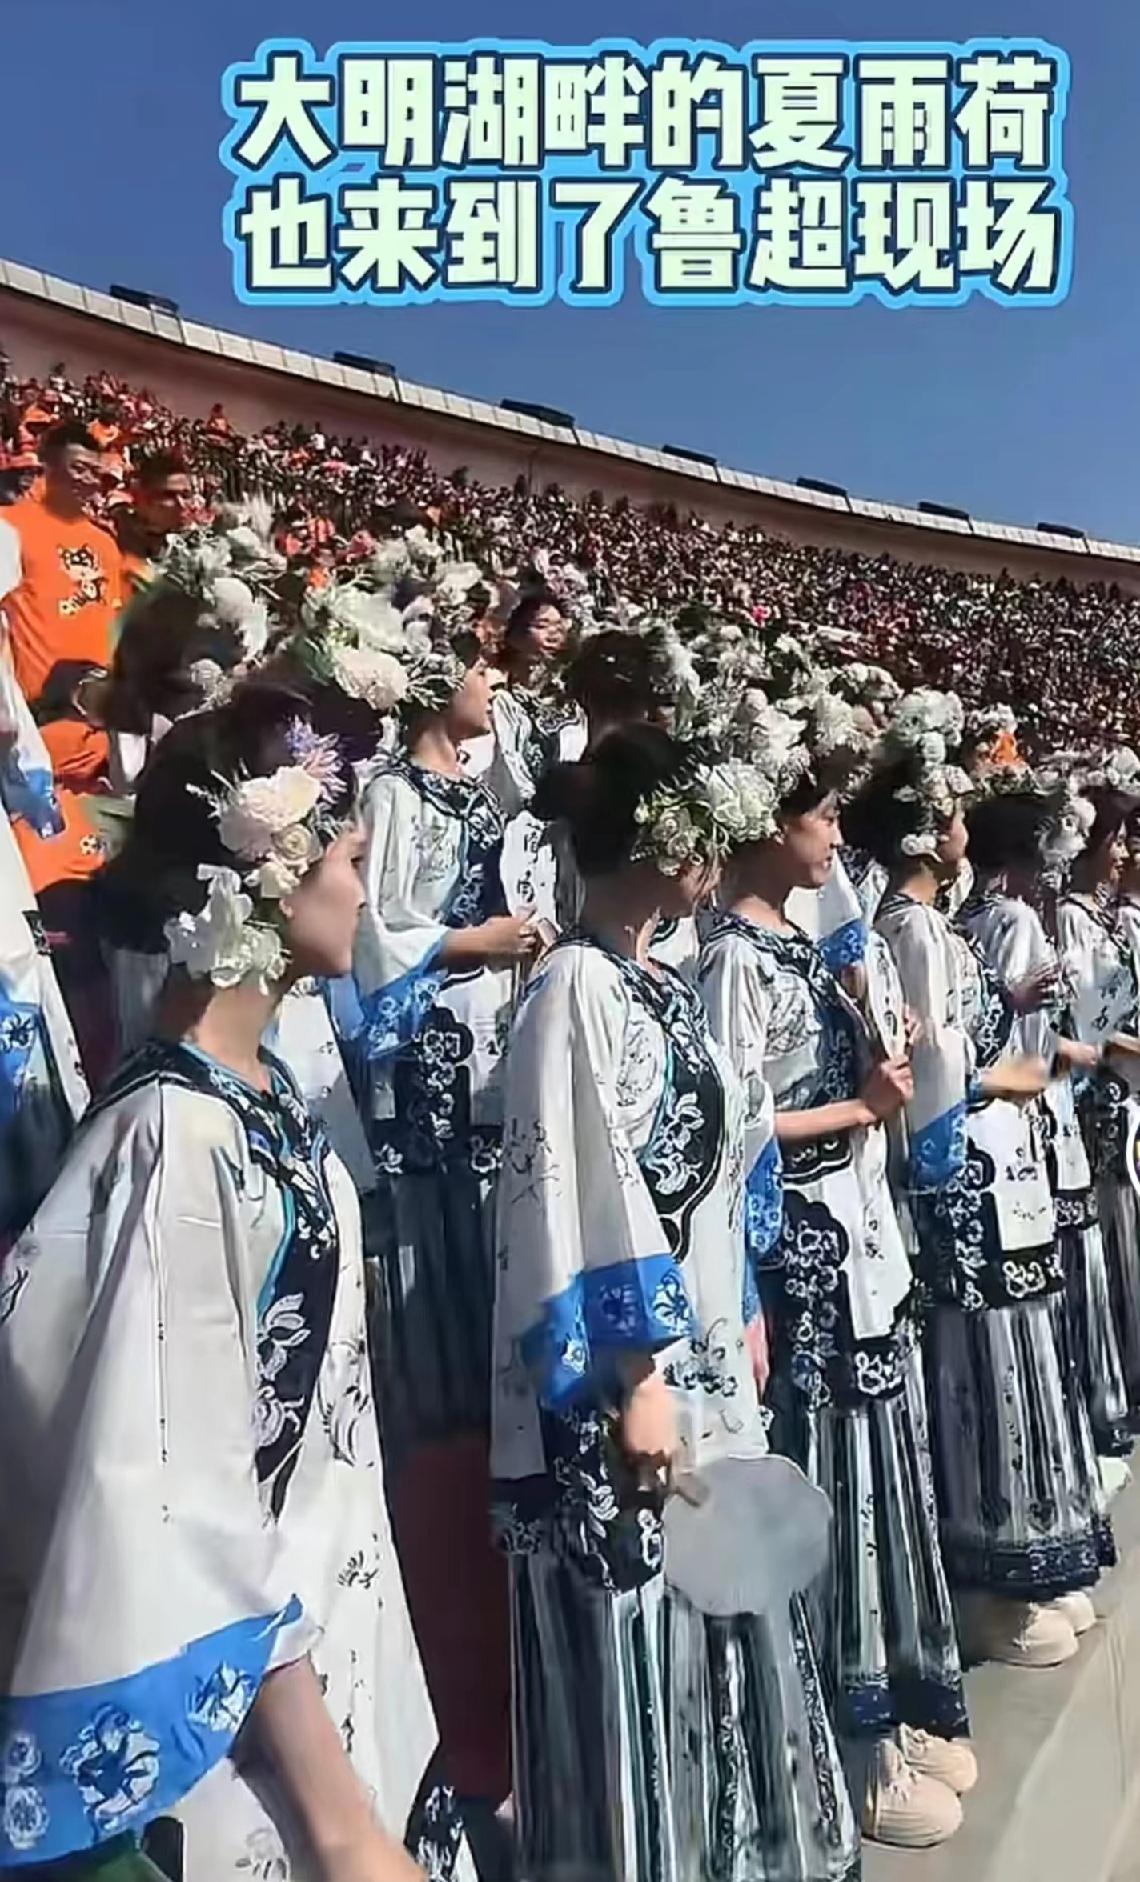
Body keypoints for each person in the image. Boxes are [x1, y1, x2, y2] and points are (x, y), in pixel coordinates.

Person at [0, 686, 470, 1881]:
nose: (364, 889)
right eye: (349, 856)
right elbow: (185, 1498)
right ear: (273, 873)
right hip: (259, 1746)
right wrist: (337, 1821)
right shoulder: (177, 1135)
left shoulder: (258, 1103)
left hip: (333, 1639)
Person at [492, 723, 858, 1882]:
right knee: (639, 1636)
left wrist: (737, 1298)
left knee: (715, 1616)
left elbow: (728, 1145)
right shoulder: (572, 988)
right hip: (628, 1381)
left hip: (698, 1337)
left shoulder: (653, 976)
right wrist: (638, 1377)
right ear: (661, 840)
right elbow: (573, 1190)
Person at [698, 710, 972, 1851]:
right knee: (830, 1478)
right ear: (768, 828)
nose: (833, 835)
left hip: (852, 1235)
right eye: (818, 815)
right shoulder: (728, 960)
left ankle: (891, 1711)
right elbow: (734, 1124)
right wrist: (861, 1105)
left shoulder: (803, 946)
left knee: (876, 1471)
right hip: (801, 1255)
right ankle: (837, 1751)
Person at [848, 708, 1112, 1673]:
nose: (961, 825)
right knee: (986, 1357)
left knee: (1020, 1347)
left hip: (1007, 1160)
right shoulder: (916, 927)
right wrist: (1013, 1068)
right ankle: (993, 1560)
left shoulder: (938, 925)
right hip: (972, 1167)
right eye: (948, 812)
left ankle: (1031, 1547)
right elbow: (938, 1058)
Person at [351, 627, 536, 1839]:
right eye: (477, 669)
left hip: (490, 1063)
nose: (495, 684)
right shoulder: (391, 792)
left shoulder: (485, 790)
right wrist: (478, 941)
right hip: (431, 1073)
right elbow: (383, 936)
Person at [961, 787, 1131, 1461]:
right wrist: (1060, 1049)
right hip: (1027, 1111)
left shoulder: (973, 918)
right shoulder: (1015, 921)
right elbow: (1015, 1040)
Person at [1057, 783, 1140, 1427]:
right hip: (1105, 1094)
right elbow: (1087, 1024)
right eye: (1114, 840)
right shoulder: (1071, 920)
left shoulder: (1117, 917)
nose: (1122, 854)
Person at [0, 422, 122, 705]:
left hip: (94, 716)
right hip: (33, 720)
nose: (89, 480)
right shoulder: (9, 525)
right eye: (78, 468)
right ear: (47, 468)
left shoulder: (104, 543)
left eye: (95, 472)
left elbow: (111, 627)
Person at [486, 587, 585, 926]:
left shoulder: (570, 706)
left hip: (560, 841)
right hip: (511, 833)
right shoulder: (498, 700)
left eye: (559, 625)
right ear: (514, 635)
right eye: (542, 624)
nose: (554, 634)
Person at [113, 450, 196, 595]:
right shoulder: (111, 538)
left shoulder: (182, 550)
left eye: (186, 495)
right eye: (168, 495)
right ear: (141, 497)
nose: (182, 505)